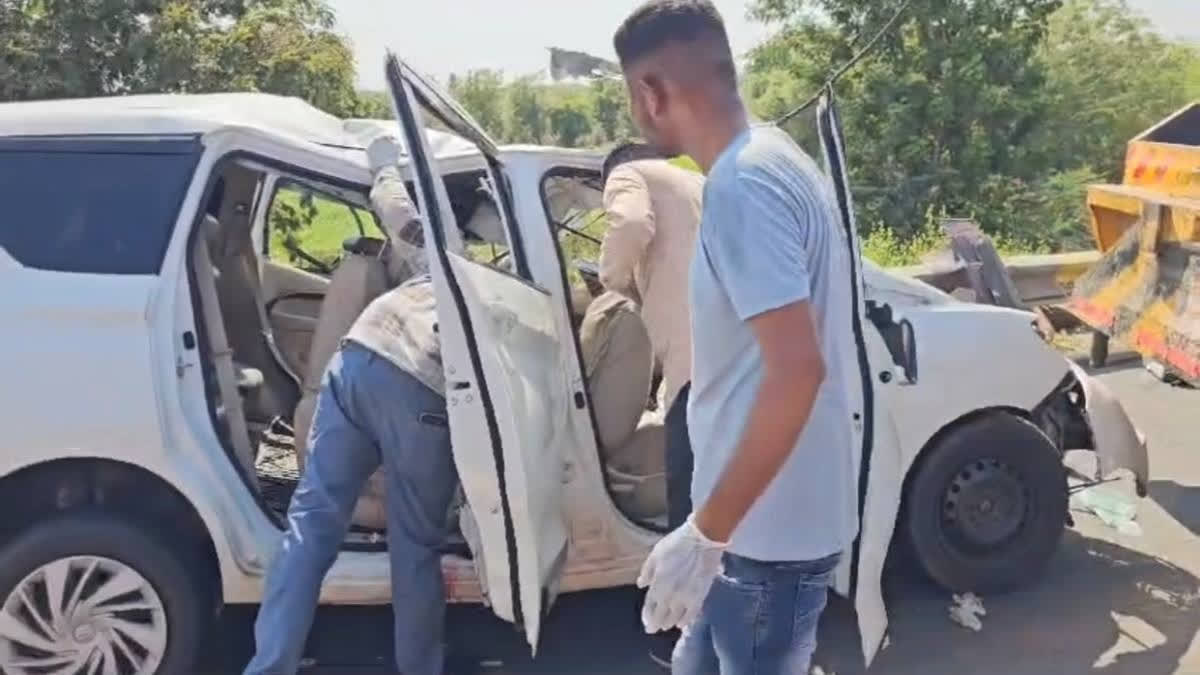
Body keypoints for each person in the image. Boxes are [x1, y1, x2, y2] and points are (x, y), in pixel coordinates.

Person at [613, 2, 859, 673]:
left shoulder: (741, 185)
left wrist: (706, 531)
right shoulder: (775, 157)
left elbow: (796, 370)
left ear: (652, 92)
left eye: (631, 96)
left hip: (764, 540)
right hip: (756, 531)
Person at [244, 136, 460, 675]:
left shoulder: (432, 247)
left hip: (358, 356)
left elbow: (395, 208)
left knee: (311, 525)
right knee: (415, 545)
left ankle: (269, 665)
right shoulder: (498, 286)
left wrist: (384, 161)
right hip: (421, 380)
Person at [597, 140, 704, 668]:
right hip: (736, 363)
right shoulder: (697, 186)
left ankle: (681, 638)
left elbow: (631, 226)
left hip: (693, 367)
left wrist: (608, 282)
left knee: (690, 515)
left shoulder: (628, 175)